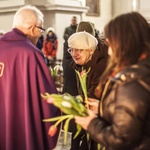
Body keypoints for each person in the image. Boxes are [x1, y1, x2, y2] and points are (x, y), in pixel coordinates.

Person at [75, 12, 150, 150]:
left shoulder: (132, 82)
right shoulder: (143, 69)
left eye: (111, 44)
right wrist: (104, 108)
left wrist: (91, 123)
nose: (109, 52)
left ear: (125, 42)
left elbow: (121, 139)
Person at [0, 5, 61, 150]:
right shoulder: (30, 54)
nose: (40, 34)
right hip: (20, 126)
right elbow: (46, 97)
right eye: (40, 29)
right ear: (32, 28)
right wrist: (61, 104)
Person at [68, 27, 108, 150]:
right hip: (91, 117)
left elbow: (94, 95)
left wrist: (66, 102)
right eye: (72, 50)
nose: (74, 54)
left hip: (103, 120)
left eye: (79, 50)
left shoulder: (101, 66)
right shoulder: (82, 63)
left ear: (91, 51)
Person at [62, 16, 78, 95]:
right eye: (73, 20)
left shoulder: (77, 28)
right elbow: (65, 36)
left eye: (75, 20)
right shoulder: (68, 29)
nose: (74, 21)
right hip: (69, 62)